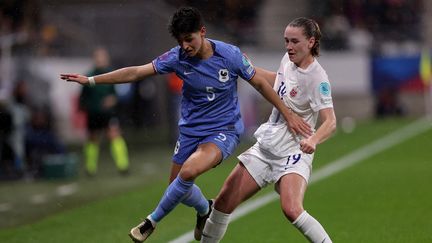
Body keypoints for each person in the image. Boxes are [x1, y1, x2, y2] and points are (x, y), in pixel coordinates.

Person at [61, 7, 311, 242]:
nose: (185, 46)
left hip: (223, 131)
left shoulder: (230, 55)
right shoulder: (177, 57)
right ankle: (205, 209)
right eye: (180, 40)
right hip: (190, 131)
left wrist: (288, 113)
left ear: (202, 31)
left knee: (188, 172)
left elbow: (259, 82)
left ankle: (150, 221)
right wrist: (92, 80)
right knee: (177, 187)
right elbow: (137, 72)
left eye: (189, 39)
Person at [201, 17, 336, 243]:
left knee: (291, 209)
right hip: (266, 147)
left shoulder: (317, 78)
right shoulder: (287, 60)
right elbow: (279, 81)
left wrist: (313, 140)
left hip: (294, 151)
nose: (289, 47)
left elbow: (330, 121)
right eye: (286, 41)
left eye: (295, 41)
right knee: (223, 202)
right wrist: (249, 69)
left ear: (311, 42)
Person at [78, 47, 130, 176]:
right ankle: (90, 168)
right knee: (93, 138)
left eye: (102, 57)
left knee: (114, 135)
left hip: (109, 113)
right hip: (94, 113)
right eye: (98, 57)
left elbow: (122, 93)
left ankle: (123, 165)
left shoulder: (113, 74)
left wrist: (114, 99)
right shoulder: (88, 75)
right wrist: (89, 107)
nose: (100, 60)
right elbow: (83, 98)